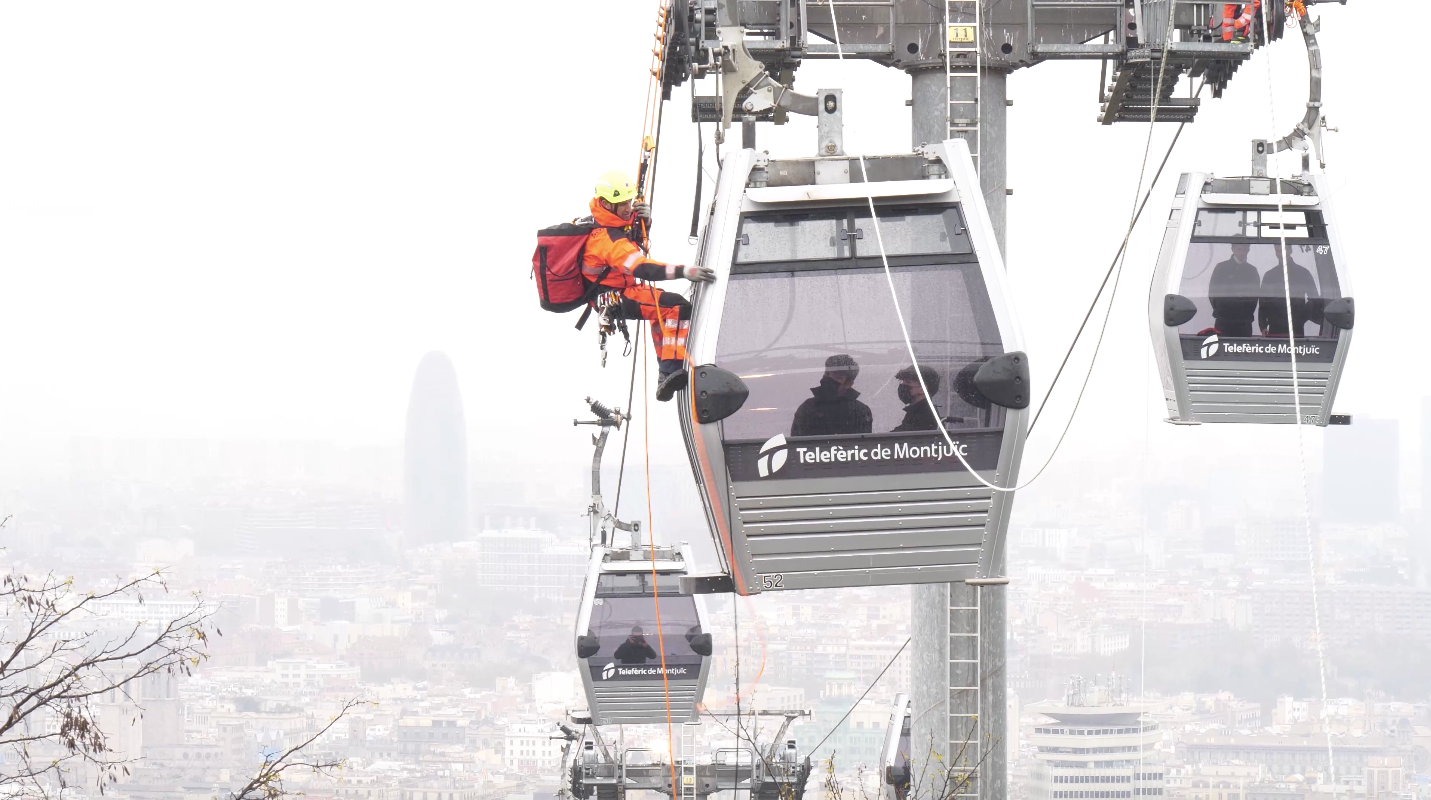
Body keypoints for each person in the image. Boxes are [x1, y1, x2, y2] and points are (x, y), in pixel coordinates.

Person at [582, 170, 716, 401]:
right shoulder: (606, 240)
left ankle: (666, 368)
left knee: (663, 311)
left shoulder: (613, 224)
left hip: (624, 290)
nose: (627, 207)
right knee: (676, 307)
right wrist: (684, 271)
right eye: (621, 203)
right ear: (605, 203)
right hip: (614, 297)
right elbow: (643, 267)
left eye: (628, 201)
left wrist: (644, 222)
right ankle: (668, 370)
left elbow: (634, 243)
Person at [791, 354, 873, 436]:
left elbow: (862, 445)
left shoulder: (860, 411)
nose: (830, 379)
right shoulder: (807, 407)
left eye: (838, 377)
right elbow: (796, 444)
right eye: (827, 374)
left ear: (848, 384)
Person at [1257, 245, 1323, 337]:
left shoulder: (1303, 273)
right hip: (1274, 330)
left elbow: (1314, 298)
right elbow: (1263, 302)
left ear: (1290, 250)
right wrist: (1263, 326)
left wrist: (1301, 316)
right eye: (1278, 251)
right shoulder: (1269, 275)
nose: (1281, 253)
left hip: (1297, 329)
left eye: (1283, 250)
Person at [1206, 242, 1261, 337]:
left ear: (1248, 251)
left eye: (1244, 249)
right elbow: (1213, 293)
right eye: (1239, 249)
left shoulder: (1252, 270)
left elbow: (1255, 297)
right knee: (1222, 350)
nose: (1241, 252)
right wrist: (1221, 311)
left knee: (1244, 350)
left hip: (1244, 321)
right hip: (1223, 320)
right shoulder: (1221, 268)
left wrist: (1246, 314)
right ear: (1233, 249)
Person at [892, 365, 944, 432]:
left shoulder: (924, 416)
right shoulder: (917, 411)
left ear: (923, 389)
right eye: (902, 381)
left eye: (908, 382)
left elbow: (902, 436)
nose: (902, 385)